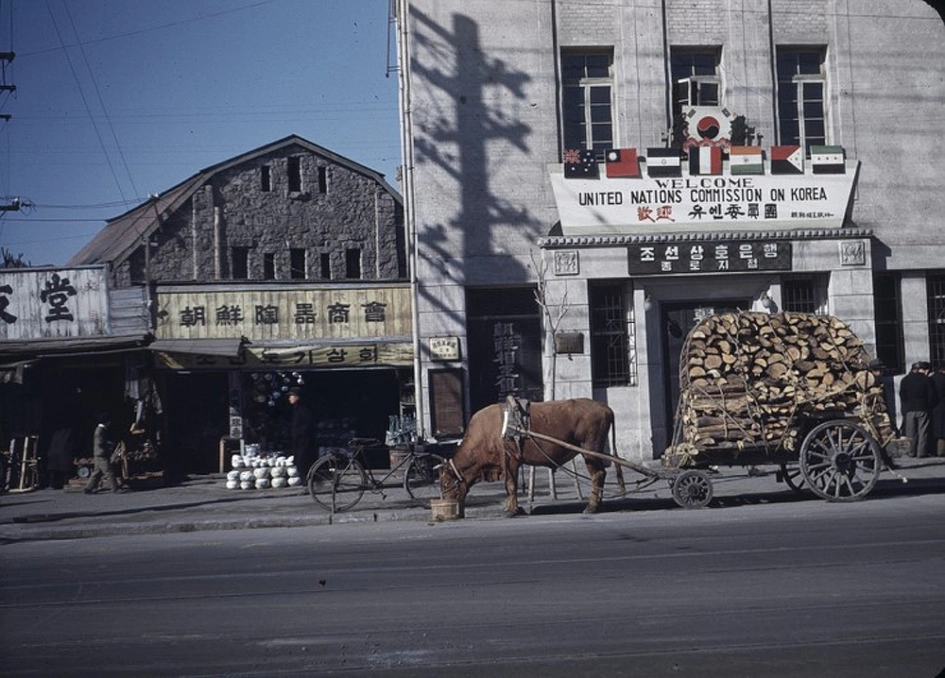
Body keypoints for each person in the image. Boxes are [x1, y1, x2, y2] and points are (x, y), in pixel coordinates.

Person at [899, 361, 936, 458]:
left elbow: (902, 396)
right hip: (923, 408)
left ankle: (911, 452)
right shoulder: (926, 380)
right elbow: (931, 396)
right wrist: (928, 405)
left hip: (909, 409)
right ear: (921, 370)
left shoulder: (905, 380)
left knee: (910, 432)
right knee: (923, 431)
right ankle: (921, 452)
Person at [84, 412, 121, 493]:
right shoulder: (100, 431)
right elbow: (99, 442)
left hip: (98, 453)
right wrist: (109, 444)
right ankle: (115, 488)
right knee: (109, 471)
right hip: (101, 454)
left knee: (97, 472)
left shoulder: (101, 429)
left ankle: (88, 488)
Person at [288, 387, 315, 476]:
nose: (290, 398)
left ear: (297, 397)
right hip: (298, 440)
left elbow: (308, 423)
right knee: (298, 460)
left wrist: (300, 433)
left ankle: (307, 481)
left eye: (291, 396)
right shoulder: (295, 409)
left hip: (303, 439)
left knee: (302, 461)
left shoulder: (303, 408)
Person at [930, 365, 945, 457]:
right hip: (943, 405)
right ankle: (941, 451)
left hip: (933, 406)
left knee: (934, 428)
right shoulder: (943, 379)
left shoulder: (930, 379)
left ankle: (933, 450)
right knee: (942, 430)